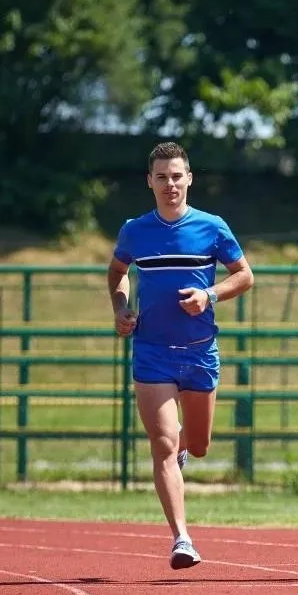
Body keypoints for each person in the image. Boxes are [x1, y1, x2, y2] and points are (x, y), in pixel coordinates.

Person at [107, 141, 255, 570]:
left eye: (177, 176)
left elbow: (245, 276)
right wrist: (120, 308)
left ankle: (186, 451)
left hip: (199, 352)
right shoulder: (135, 230)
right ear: (149, 181)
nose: (170, 184)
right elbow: (117, 272)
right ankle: (182, 539)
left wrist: (208, 295)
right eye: (161, 177)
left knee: (200, 445)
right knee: (164, 444)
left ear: (189, 179)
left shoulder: (211, 227)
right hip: (152, 351)